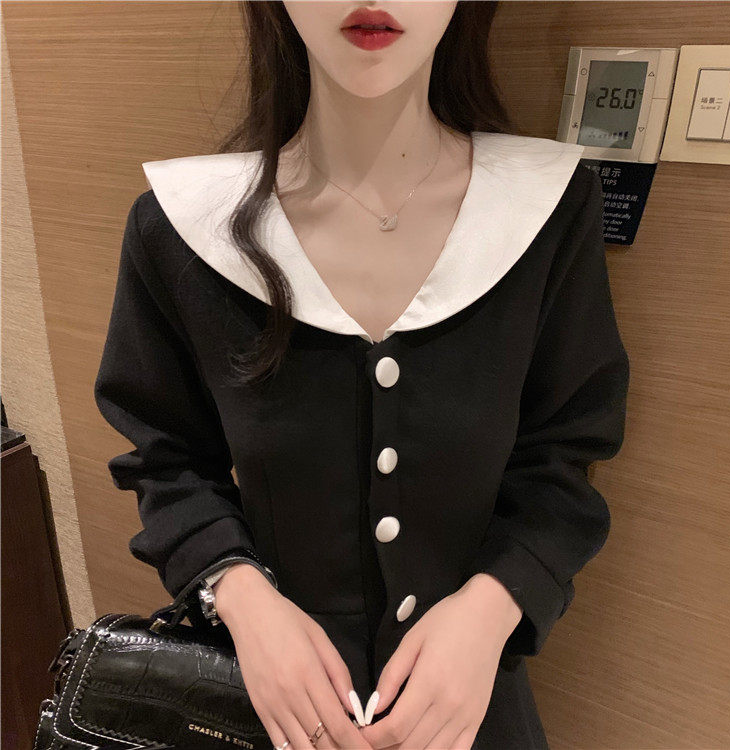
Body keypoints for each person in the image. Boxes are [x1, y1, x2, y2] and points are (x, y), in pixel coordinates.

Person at [94, 2, 630, 748]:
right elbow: (167, 459)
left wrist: (492, 607)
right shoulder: (183, 229)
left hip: (470, 713)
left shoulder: (548, 209)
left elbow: (565, 453)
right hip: (272, 711)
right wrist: (242, 598)